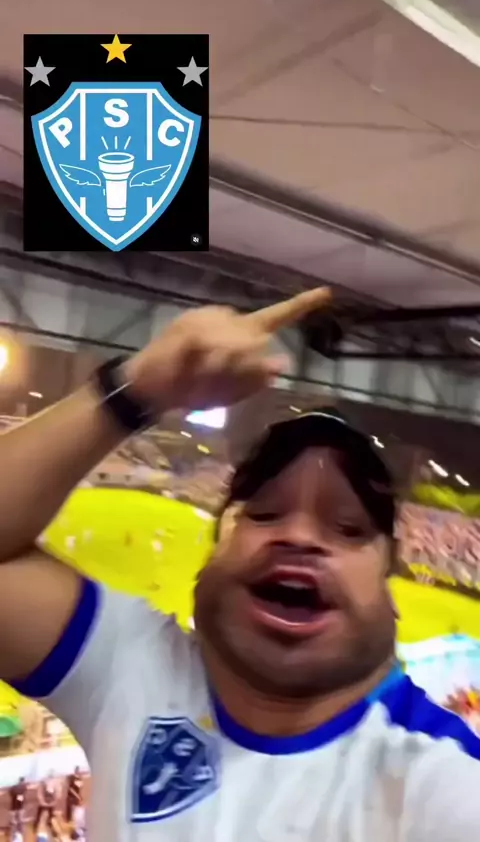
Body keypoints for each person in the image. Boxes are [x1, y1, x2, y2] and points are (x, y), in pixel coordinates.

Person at [0, 287, 480, 841]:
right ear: (214, 550)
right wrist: (136, 390)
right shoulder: (133, 667)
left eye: (349, 529)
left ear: (388, 582)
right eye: (265, 513)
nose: (299, 536)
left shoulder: (437, 778)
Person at [34, 773, 58, 837]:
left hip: (49, 802)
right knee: (40, 814)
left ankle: (50, 825)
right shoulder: (43, 783)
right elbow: (40, 793)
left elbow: (56, 793)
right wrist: (42, 802)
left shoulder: (53, 784)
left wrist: (53, 802)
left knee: (50, 815)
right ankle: (36, 826)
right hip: (45, 802)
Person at [9, 777, 26, 841]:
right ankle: (17, 836)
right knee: (18, 822)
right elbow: (20, 797)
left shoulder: (14, 788)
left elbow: (11, 794)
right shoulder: (23, 788)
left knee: (15, 823)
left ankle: (13, 837)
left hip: (14, 807)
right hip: (17, 808)